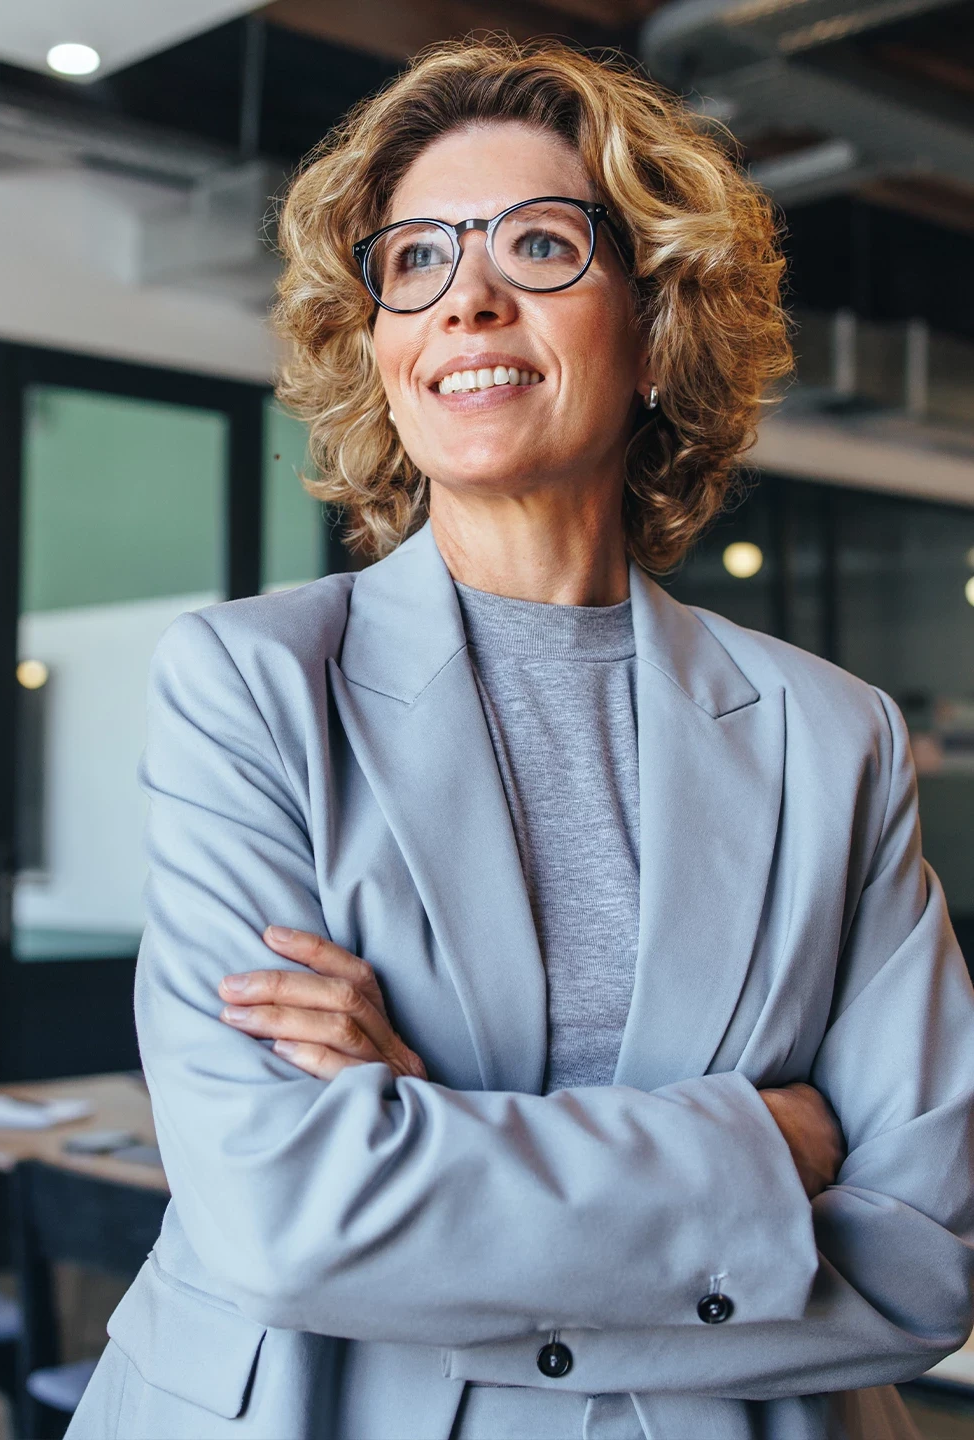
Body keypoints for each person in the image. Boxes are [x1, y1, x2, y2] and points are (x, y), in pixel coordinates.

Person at [67, 37, 974, 1440]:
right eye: (416, 259)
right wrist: (761, 1150)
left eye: (540, 244)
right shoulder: (249, 686)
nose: (468, 299)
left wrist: (425, 1136)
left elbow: (921, 1253)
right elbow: (285, 1214)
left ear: (659, 321)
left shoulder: (830, 735)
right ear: (378, 343)